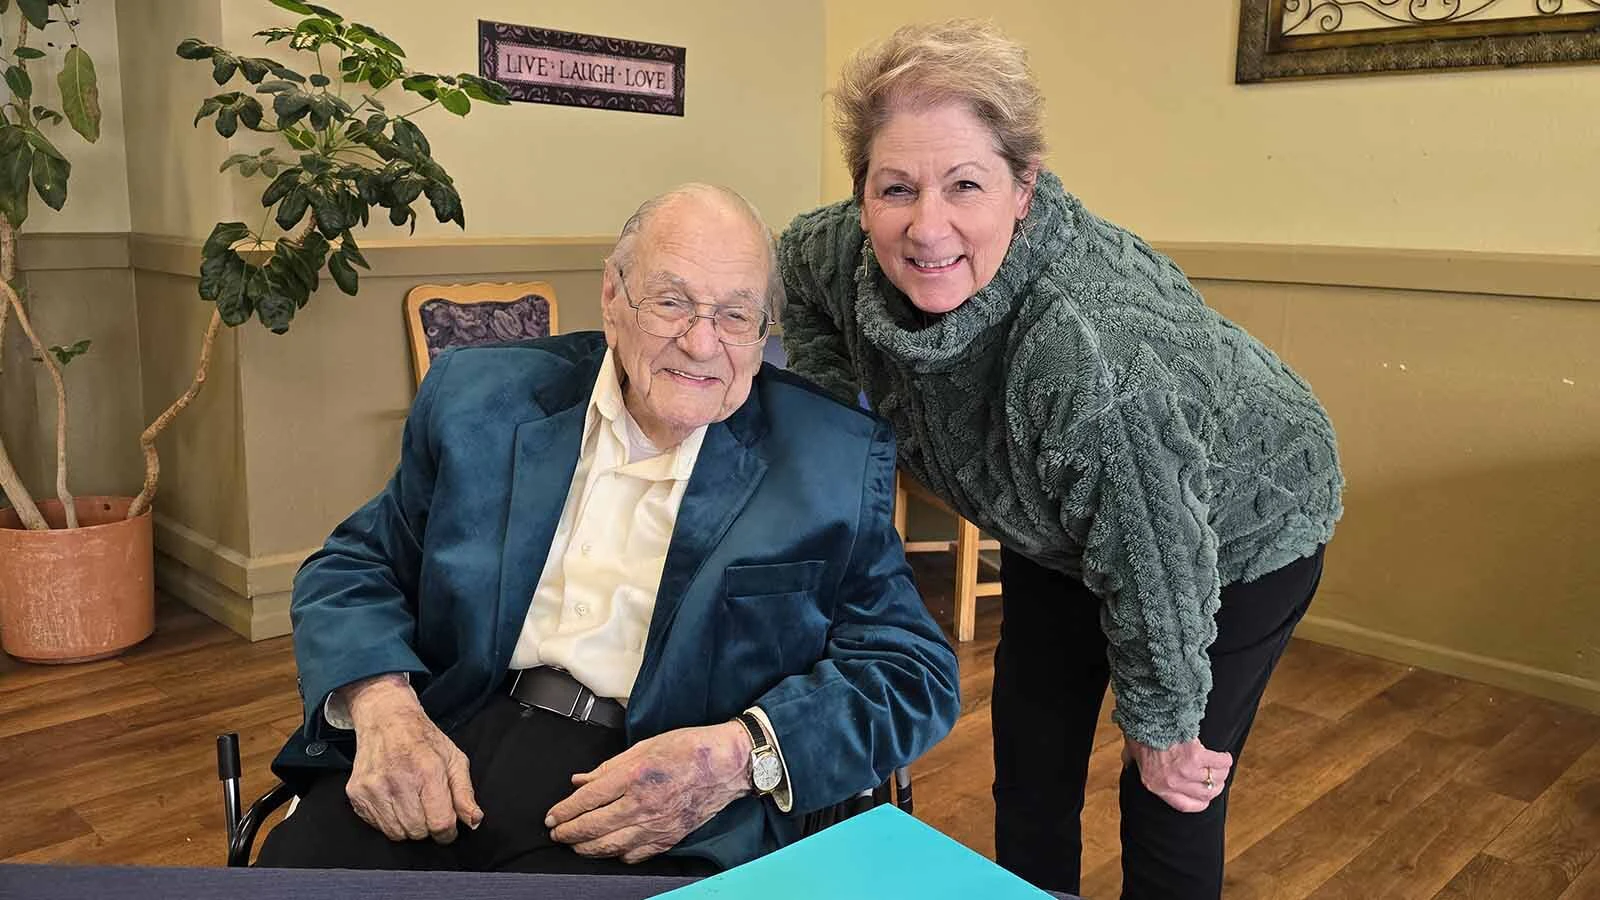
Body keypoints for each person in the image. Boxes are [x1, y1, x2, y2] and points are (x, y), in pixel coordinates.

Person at [778, 20, 1342, 898]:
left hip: (1239, 523)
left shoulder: (1086, 347)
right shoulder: (837, 252)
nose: (927, 226)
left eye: (966, 184)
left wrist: (1163, 725)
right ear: (861, 195)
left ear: (1023, 187)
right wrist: (838, 415)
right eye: (896, 189)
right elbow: (796, 278)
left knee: (1168, 789)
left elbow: (1156, 554)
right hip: (1059, 520)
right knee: (1031, 758)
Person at [257, 183, 960, 874]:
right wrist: (384, 708)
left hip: (667, 794)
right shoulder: (481, 400)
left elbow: (912, 671)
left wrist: (738, 757)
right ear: (612, 298)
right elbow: (356, 564)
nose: (701, 342)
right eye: (671, 301)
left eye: (736, 315)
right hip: (452, 729)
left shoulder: (830, 453)